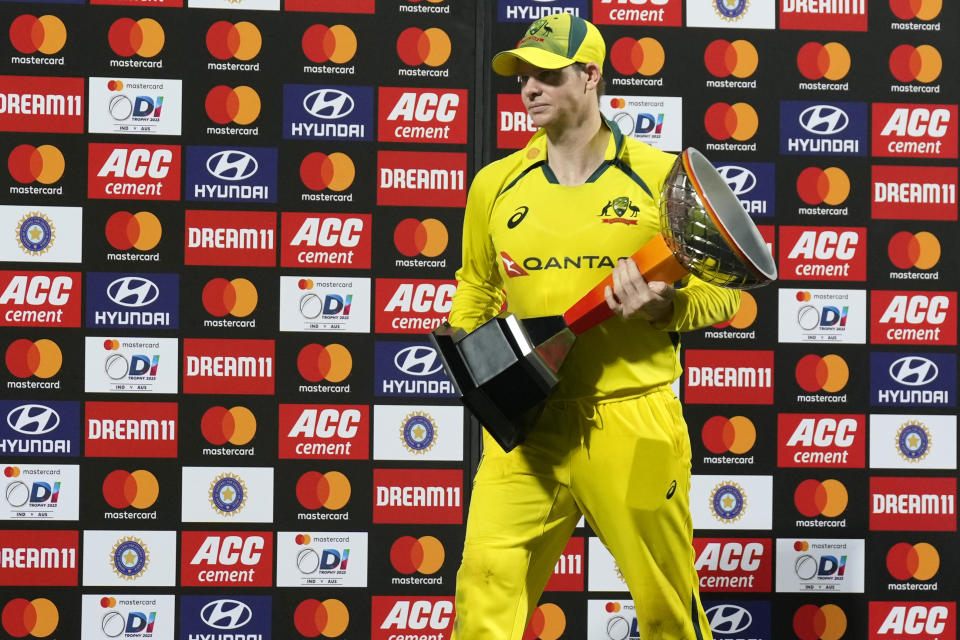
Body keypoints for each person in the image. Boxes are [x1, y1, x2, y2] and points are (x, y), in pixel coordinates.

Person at [446, 13, 741, 640]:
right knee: (484, 587)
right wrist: (478, 364)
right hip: (529, 427)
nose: (529, 88)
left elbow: (727, 297)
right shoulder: (495, 185)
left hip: (633, 420)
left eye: (547, 75)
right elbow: (475, 286)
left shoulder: (661, 179)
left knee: (667, 609)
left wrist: (668, 309)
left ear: (590, 75)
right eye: (522, 75)